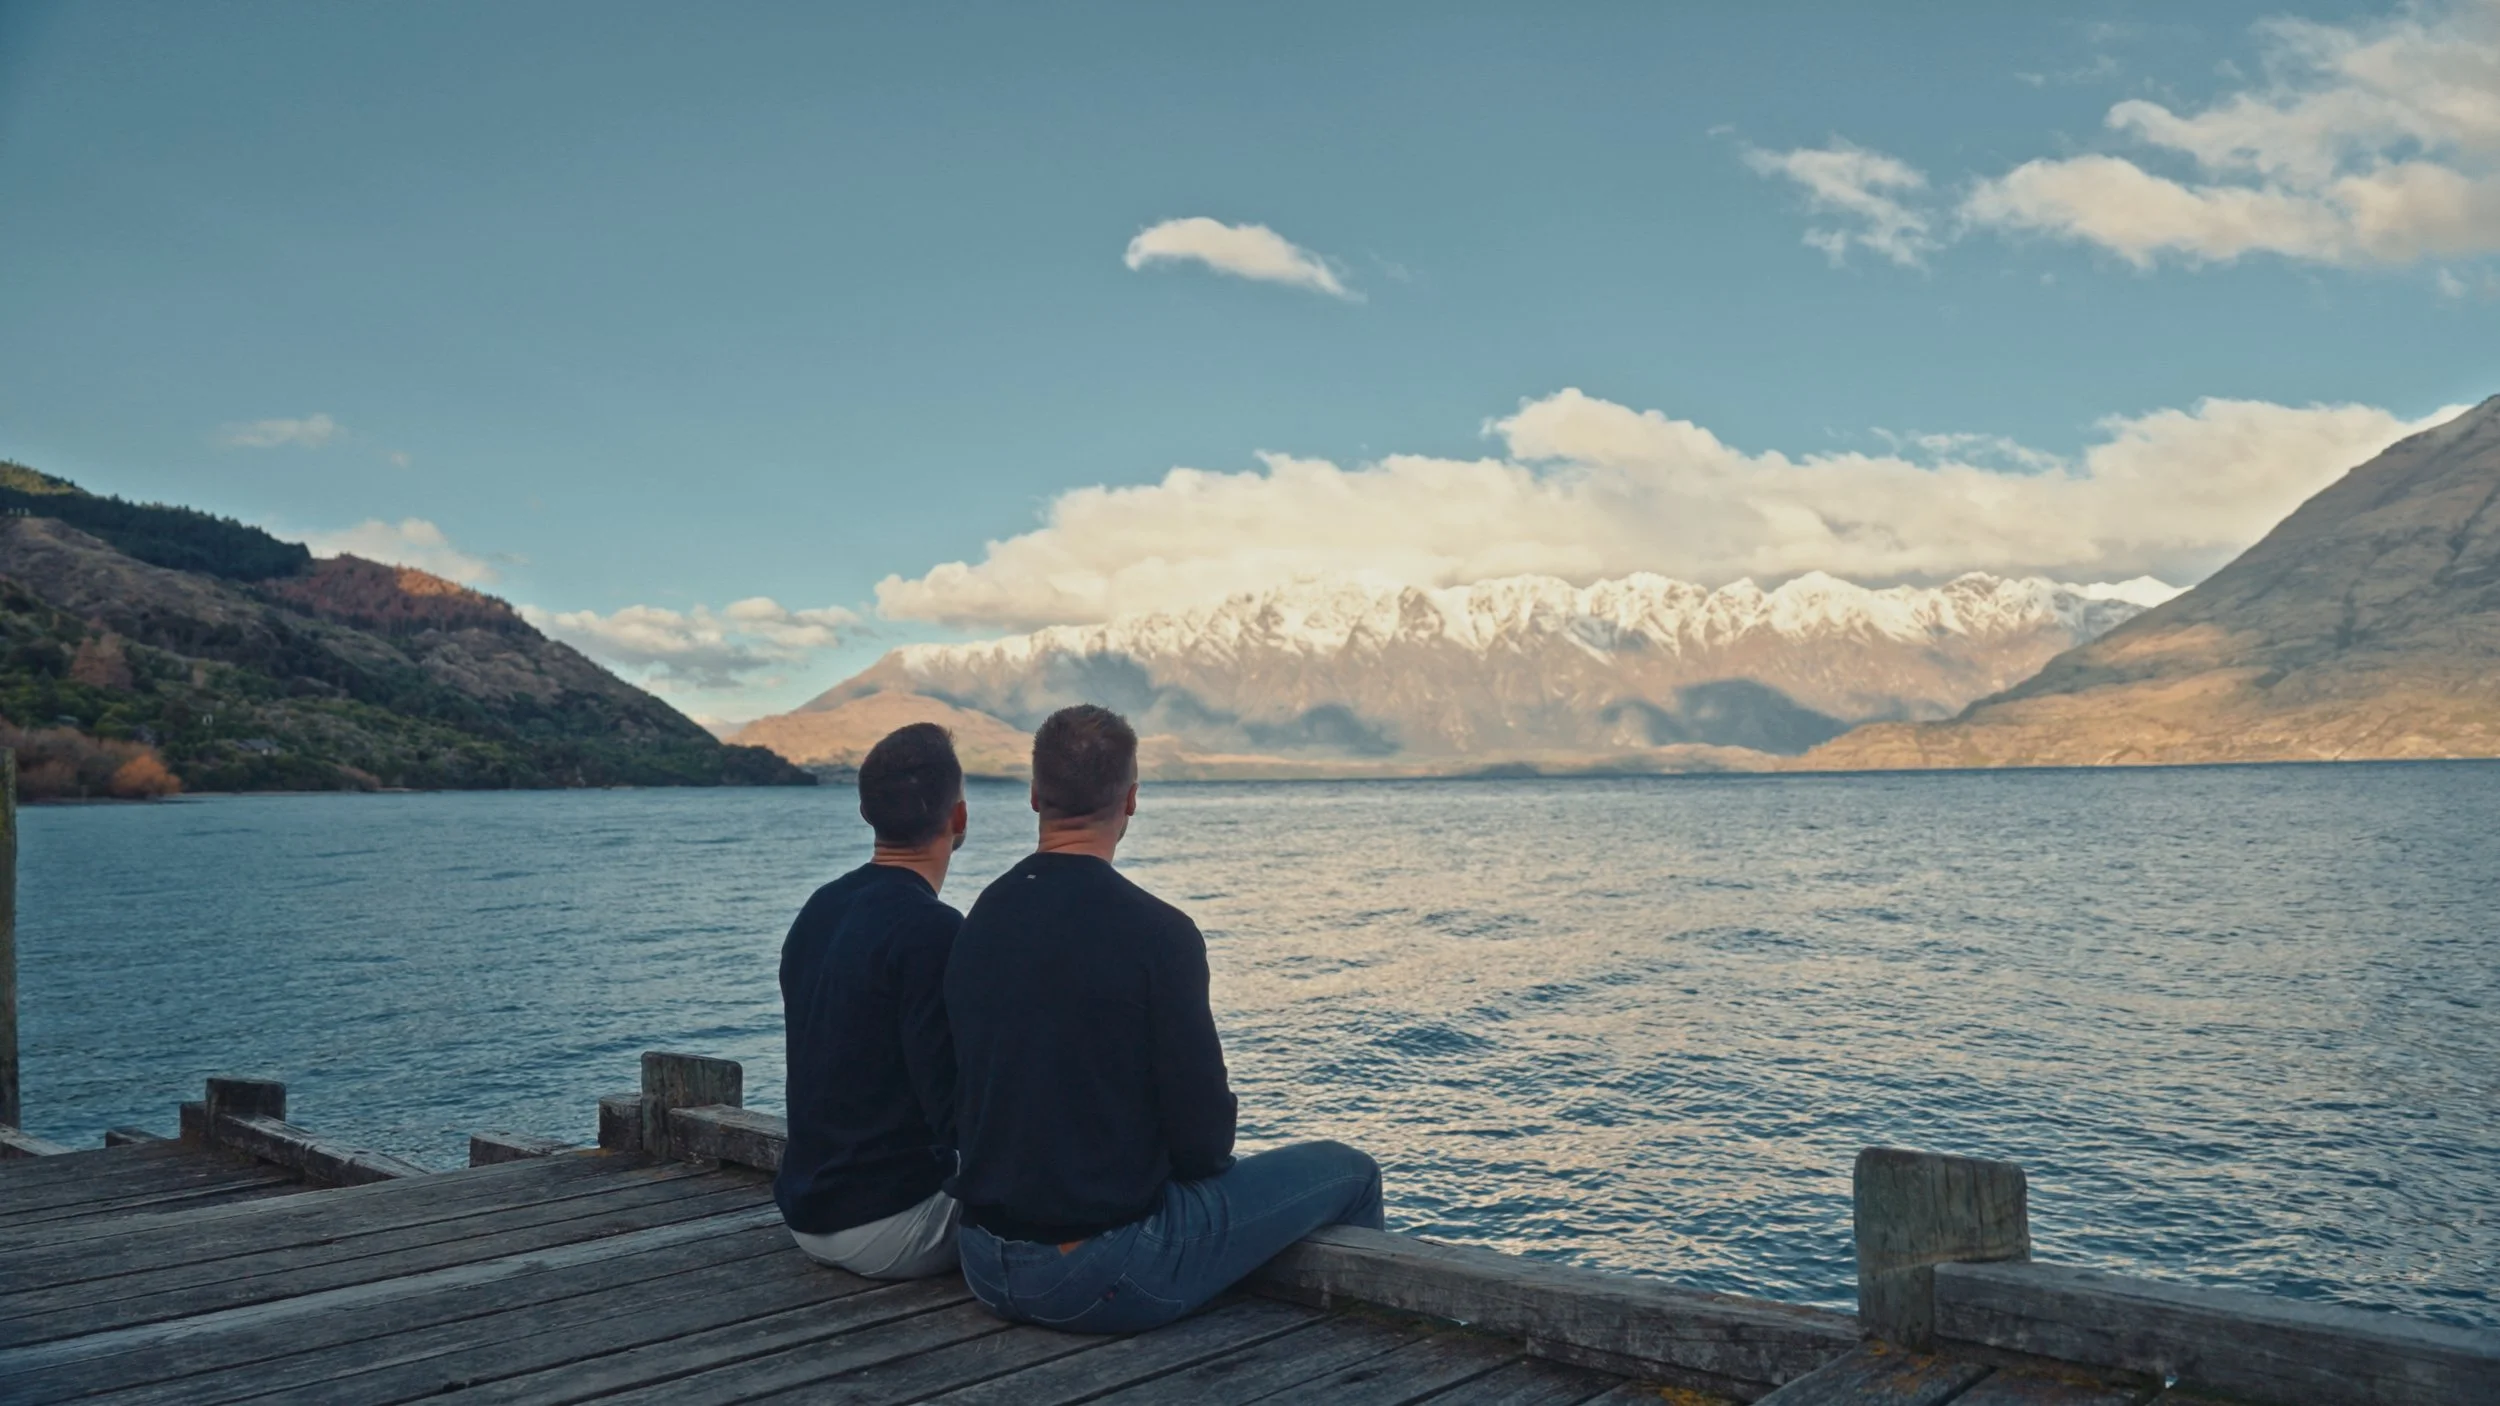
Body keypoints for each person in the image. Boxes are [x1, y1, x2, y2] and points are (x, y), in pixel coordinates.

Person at [945, 703, 1384, 1333]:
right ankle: (1352, 1365)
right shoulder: (1161, 934)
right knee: (1352, 1171)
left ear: (1036, 795)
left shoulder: (979, 919)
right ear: (1130, 801)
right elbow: (1205, 1141)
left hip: (983, 1260)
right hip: (1099, 1275)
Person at [774, 722, 969, 1279]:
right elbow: (953, 1101)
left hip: (808, 1217)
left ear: (866, 813)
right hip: (893, 1225)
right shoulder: (933, 931)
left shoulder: (820, 908)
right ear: (958, 819)